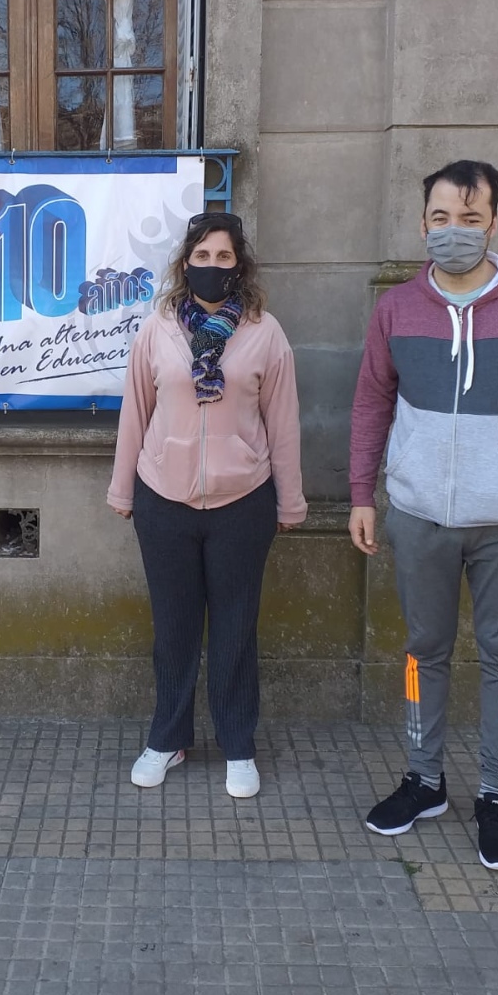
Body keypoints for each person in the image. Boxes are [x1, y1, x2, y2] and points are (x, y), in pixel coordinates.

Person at [350, 160, 498, 871]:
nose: (456, 231)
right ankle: (425, 781)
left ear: (493, 222)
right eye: (442, 218)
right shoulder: (396, 307)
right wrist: (363, 492)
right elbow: (370, 403)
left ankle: (494, 794)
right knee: (425, 651)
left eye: (471, 217)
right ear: (424, 223)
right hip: (418, 514)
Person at [108, 212, 307, 798]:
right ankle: (167, 738)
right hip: (162, 499)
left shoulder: (265, 332)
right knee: (173, 630)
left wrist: (290, 502)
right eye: (203, 256)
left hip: (242, 502)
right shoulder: (158, 330)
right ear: (185, 262)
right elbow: (135, 415)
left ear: (238, 265)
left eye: (224, 258)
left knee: (234, 631)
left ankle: (238, 746)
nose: (213, 267)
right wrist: (123, 490)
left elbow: (284, 423)